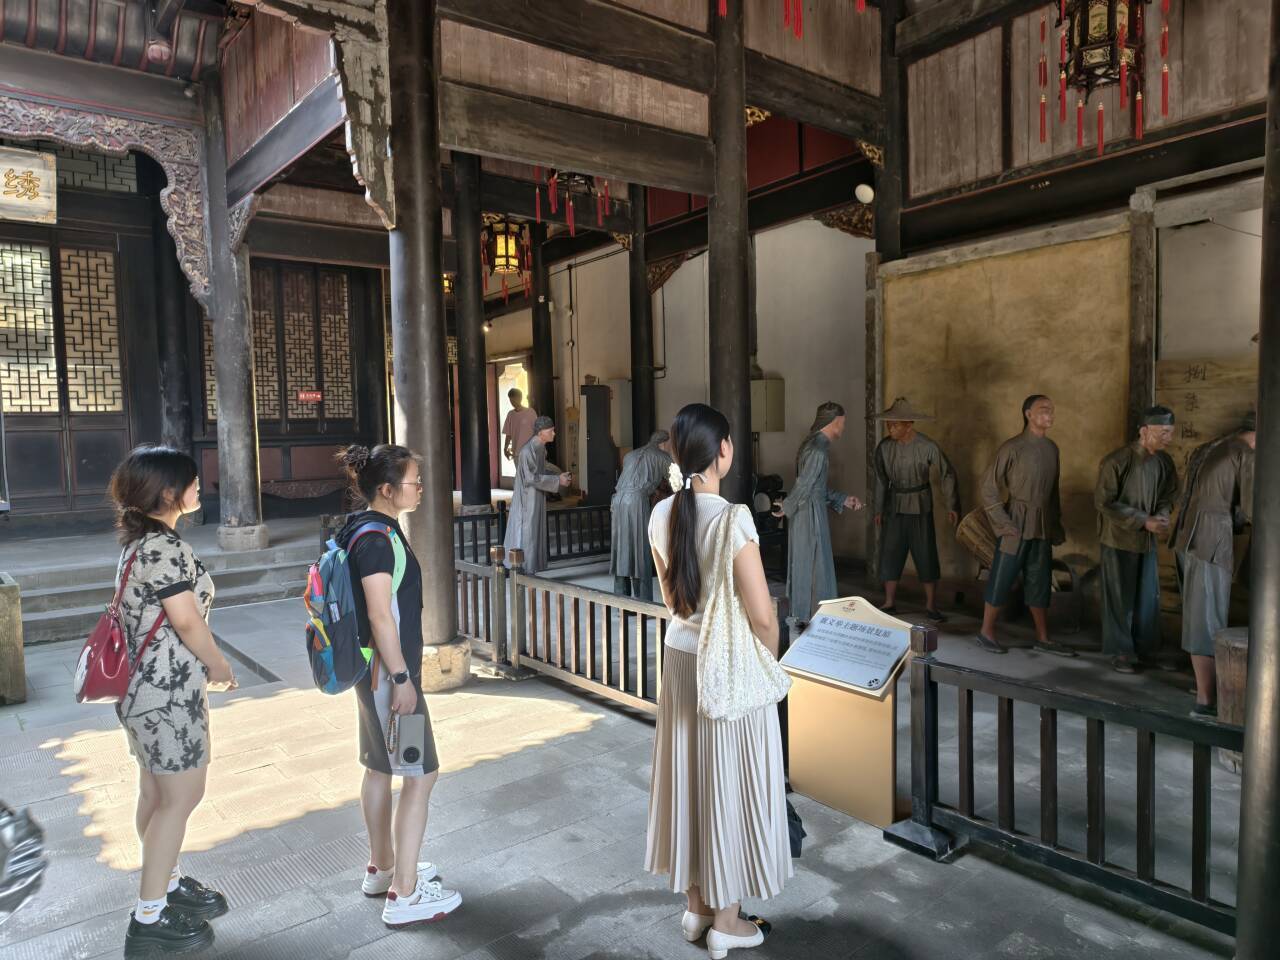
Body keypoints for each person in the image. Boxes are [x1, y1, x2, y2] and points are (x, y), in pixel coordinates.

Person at [646, 403, 791, 958]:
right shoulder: (733, 519)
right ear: (724, 450)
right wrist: (767, 665)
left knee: (688, 778)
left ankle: (697, 909)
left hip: (680, 659)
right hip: (725, 665)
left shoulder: (661, 514)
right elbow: (762, 616)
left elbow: (672, 600)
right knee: (728, 781)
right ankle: (727, 922)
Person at [108, 445, 235, 955]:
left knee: (156, 794)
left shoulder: (140, 543)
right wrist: (219, 664)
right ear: (168, 493)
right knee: (181, 797)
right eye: (191, 481)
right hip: (167, 693)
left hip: (141, 689)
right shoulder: (162, 547)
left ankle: (167, 882)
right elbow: (186, 620)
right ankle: (150, 917)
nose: (199, 486)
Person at [336, 444, 462, 926]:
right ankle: (405, 894)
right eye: (414, 481)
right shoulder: (376, 540)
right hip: (390, 678)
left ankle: (383, 868)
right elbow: (380, 615)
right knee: (419, 774)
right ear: (388, 490)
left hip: (370, 674)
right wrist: (404, 678)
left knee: (377, 767)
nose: (421, 488)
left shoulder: (361, 527)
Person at [1169, 411, 1256, 718]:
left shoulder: (1213, 447)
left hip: (1188, 536)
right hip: (1210, 541)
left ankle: (1204, 688)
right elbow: (1253, 508)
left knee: (1199, 616)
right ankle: (1205, 701)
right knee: (1207, 620)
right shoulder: (1245, 453)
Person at [976, 395, 1075, 657]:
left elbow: (1053, 492)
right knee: (1002, 575)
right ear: (1028, 414)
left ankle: (1043, 637)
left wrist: (1054, 524)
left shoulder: (1052, 449)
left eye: (1052, 409)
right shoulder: (1012, 447)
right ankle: (986, 632)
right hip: (1016, 521)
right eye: (1043, 409)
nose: (1050, 414)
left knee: (1039, 578)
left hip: (1042, 523)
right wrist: (1003, 522)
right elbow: (987, 487)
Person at [1094, 406, 1179, 674]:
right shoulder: (1117, 460)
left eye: (1171, 432)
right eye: (1163, 432)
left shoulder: (1164, 462)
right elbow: (1104, 502)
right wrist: (1143, 520)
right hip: (1118, 539)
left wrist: (1162, 514)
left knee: (1147, 597)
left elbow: (1169, 494)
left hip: (1147, 541)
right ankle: (1121, 651)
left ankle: (1146, 650)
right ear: (1144, 431)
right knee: (1120, 598)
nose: (1169, 438)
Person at [871, 397, 960, 622]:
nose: (891, 428)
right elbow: (880, 480)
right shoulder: (884, 448)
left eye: (895, 424)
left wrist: (952, 504)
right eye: (889, 424)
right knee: (890, 552)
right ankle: (889, 602)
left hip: (921, 505)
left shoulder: (927, 446)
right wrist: (878, 509)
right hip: (894, 505)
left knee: (925, 553)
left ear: (909, 425)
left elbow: (947, 474)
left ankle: (930, 605)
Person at [774, 402, 862, 624]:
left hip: (809, 510)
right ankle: (812, 618)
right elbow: (804, 484)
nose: (843, 427)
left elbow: (814, 487)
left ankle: (810, 617)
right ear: (833, 422)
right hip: (809, 514)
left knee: (811, 564)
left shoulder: (814, 445)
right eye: (842, 423)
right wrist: (788, 506)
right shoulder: (817, 449)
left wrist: (843, 499)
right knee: (813, 566)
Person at [503, 416, 572, 574]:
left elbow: (540, 471)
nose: (554, 433)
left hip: (536, 495)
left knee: (535, 531)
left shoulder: (540, 447)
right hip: (527, 498)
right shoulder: (527, 451)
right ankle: (523, 567)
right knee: (527, 531)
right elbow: (530, 478)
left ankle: (533, 566)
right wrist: (557, 480)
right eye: (551, 431)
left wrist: (558, 477)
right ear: (541, 432)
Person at [610, 430, 673, 601]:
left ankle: (621, 599)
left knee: (621, 549)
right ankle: (643, 600)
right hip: (636, 501)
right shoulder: (662, 456)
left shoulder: (630, 455)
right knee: (640, 549)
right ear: (664, 443)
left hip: (617, 500)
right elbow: (677, 481)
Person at [502, 388, 538, 463]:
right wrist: (505, 449)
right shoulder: (510, 414)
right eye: (510, 400)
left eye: (514, 399)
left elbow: (537, 432)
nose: (512, 402)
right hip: (516, 454)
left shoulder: (531, 412)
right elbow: (508, 434)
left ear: (520, 398)